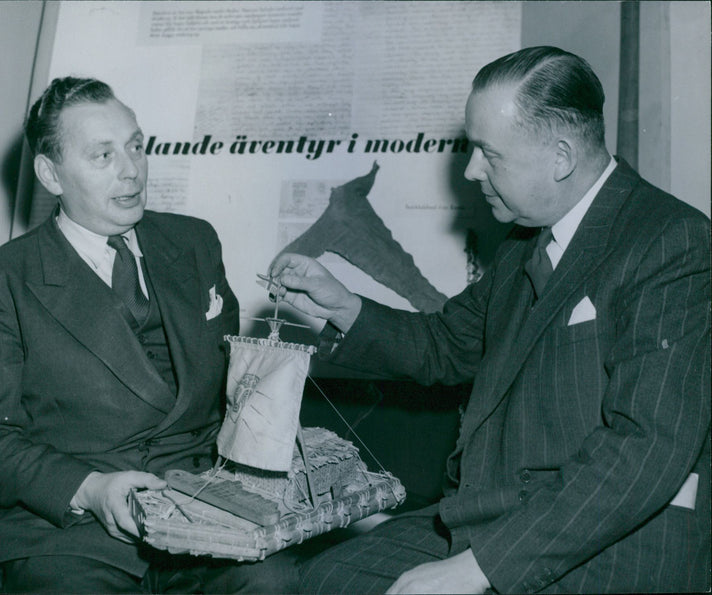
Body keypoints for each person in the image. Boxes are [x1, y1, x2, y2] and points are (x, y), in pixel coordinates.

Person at [268, 46, 710, 593]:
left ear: (562, 157)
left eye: (488, 153)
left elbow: (646, 448)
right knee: (322, 580)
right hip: (494, 517)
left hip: (604, 541)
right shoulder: (525, 242)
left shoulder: (671, 242)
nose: (472, 170)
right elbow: (447, 344)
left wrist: (477, 570)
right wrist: (344, 305)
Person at [0, 77, 298, 593]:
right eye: (103, 155)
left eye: (136, 145)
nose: (131, 170)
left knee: (275, 584)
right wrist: (89, 489)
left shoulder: (194, 241)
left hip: (206, 519)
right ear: (50, 174)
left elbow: (235, 396)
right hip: (72, 535)